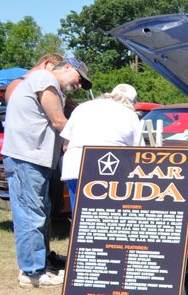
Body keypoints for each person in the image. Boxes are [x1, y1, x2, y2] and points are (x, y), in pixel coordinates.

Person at [1, 57, 91, 288]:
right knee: (31, 214)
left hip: (34, 159)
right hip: (26, 158)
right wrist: (90, 137)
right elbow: (60, 122)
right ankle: (32, 272)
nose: (79, 85)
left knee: (40, 212)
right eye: (80, 79)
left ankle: (42, 262)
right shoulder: (45, 78)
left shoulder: (47, 83)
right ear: (67, 67)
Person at [61, 83, 143, 212]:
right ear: (133, 102)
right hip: (109, 170)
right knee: (106, 217)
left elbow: (66, 145)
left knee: (79, 216)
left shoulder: (83, 107)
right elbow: (138, 153)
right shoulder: (130, 114)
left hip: (75, 166)